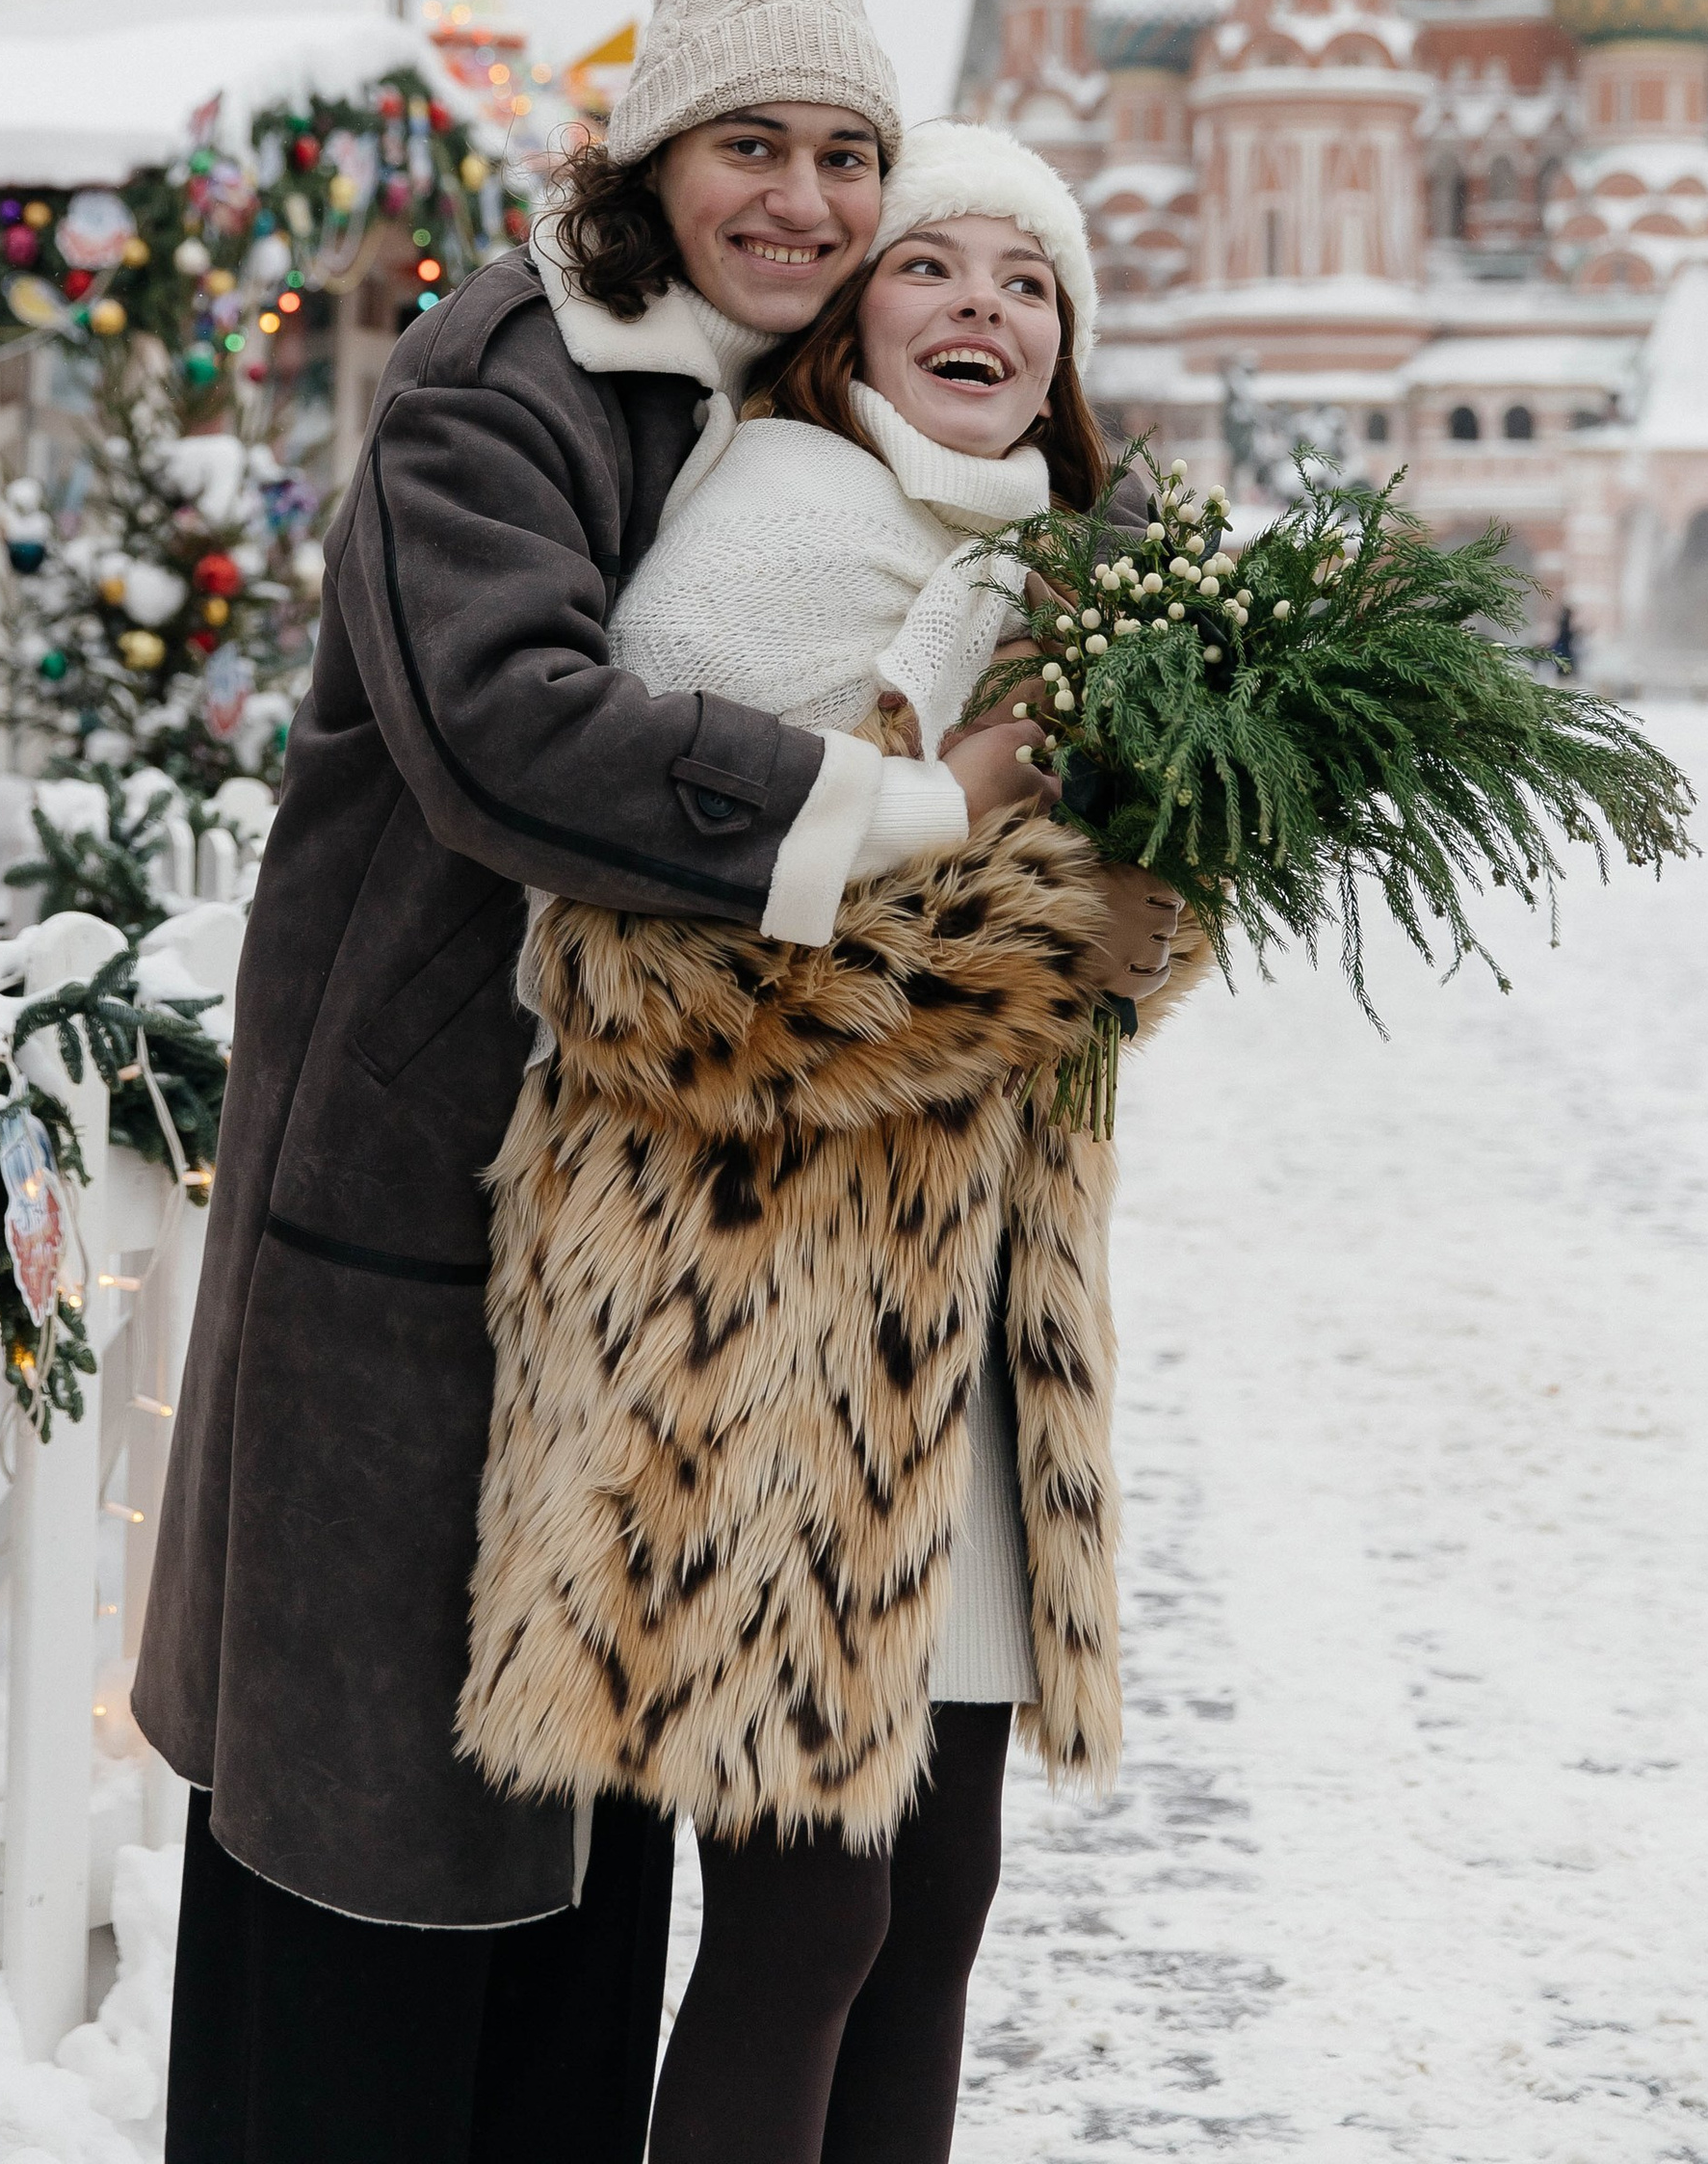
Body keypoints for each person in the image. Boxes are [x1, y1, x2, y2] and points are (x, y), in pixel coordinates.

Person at [133, 0, 1178, 2164]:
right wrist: (916, 810)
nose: (801, 198)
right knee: (372, 1895)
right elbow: (510, 734)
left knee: (570, 1905)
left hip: (625, 1239)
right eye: (749, 148)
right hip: (418, 1210)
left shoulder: (730, 389)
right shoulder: (501, 372)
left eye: (842, 153)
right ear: (648, 164)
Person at [460, 121, 1208, 2164]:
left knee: (930, 1910)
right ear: (849, 317)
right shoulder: (773, 534)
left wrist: (1149, 892)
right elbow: (655, 978)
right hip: (742, 1334)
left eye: (1026, 281)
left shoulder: (1048, 569)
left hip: (943, 1341)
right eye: (930, 265)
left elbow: (1109, 936)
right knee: (808, 1920)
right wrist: (1056, 919)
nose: (982, 305)